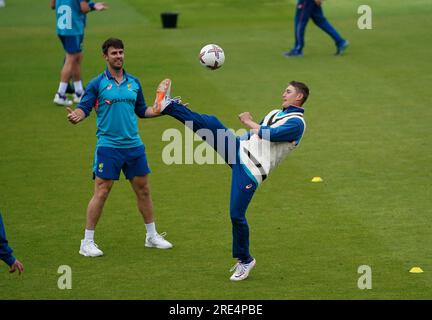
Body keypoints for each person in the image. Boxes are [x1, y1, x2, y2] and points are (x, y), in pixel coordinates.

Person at [152, 79, 308, 281]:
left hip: (251, 170)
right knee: (210, 123)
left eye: (288, 91)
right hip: (239, 150)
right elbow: (254, 136)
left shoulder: (297, 123)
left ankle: (245, 260)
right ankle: (169, 105)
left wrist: (249, 122)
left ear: (299, 97)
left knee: (236, 215)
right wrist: (231, 137)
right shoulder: (274, 113)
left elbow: (270, 134)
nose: (283, 94)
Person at [66, 38, 173, 257]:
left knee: (143, 189)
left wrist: (165, 109)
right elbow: (84, 107)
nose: (119, 56)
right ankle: (86, 242)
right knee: (102, 191)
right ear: (105, 56)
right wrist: (78, 114)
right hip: (109, 147)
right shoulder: (97, 84)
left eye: (121, 52)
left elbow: (143, 110)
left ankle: (151, 236)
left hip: (134, 145)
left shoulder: (134, 82)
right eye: (114, 53)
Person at [50, 0, 108, 106]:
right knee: (71, 58)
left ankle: (79, 92)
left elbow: (52, 5)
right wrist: (94, 7)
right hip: (74, 29)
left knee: (77, 57)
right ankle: (60, 94)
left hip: (62, 28)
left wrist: (92, 4)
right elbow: (84, 8)